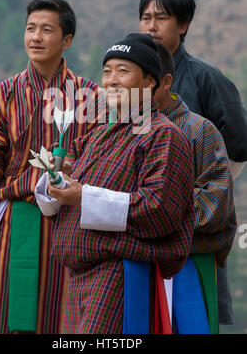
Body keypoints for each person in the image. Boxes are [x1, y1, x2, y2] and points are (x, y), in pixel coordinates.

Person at [34, 33, 196, 334]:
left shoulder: (164, 135)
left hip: (119, 273)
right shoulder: (97, 136)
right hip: (79, 276)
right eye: (107, 71)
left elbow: (158, 211)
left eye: (123, 71)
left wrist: (83, 196)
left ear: (149, 82)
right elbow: (60, 195)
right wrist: (54, 184)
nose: (111, 80)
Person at [0, 0, 100, 334]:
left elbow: (99, 163)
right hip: (13, 224)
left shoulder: (89, 96)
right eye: (30, 28)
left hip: (71, 225)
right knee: (7, 321)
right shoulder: (2, 96)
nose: (35, 37)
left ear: (66, 40)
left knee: (66, 322)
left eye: (46, 30)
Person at [139, 0, 247, 324]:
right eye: (145, 18)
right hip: (142, 228)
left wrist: (207, 193)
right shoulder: (127, 81)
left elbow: (241, 146)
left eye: (161, 18)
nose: (151, 26)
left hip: (192, 232)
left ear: (182, 25)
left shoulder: (207, 78)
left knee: (192, 317)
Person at [154, 43, 237, 333]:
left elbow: (214, 207)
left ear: (164, 82)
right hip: (135, 265)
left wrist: (154, 212)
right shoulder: (120, 131)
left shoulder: (200, 131)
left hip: (189, 263)